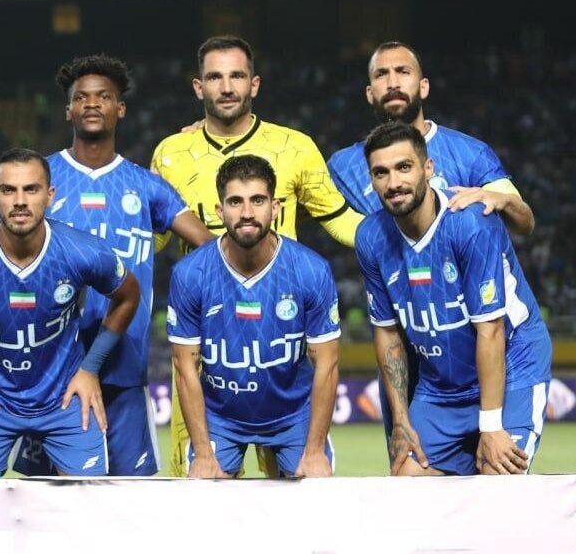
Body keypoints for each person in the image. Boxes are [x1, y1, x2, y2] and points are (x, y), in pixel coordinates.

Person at [151, 35, 361, 476]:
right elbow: (149, 242)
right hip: (207, 349)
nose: (227, 87)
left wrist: (413, 232)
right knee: (197, 484)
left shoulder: (295, 148)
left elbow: (341, 221)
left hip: (280, 345)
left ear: (255, 84)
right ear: (198, 87)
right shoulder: (171, 154)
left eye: (237, 76)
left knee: (299, 482)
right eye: (215, 77)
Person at [13, 55, 209, 477]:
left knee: (130, 496)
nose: (91, 103)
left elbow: (210, 248)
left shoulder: (147, 186)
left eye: (103, 96)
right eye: (81, 97)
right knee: (48, 497)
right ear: (68, 110)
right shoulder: (40, 181)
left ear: (120, 109)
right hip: (50, 370)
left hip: (125, 366)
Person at [0, 149, 140, 477]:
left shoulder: (83, 251)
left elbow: (129, 295)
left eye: (31, 189)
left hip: (65, 396)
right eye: (8, 190)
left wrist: (90, 368)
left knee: (87, 499)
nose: (20, 201)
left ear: (50, 195)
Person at [355, 122, 551, 476]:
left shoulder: (470, 223)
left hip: (513, 367)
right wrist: (400, 420)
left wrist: (491, 426)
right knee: (406, 478)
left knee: (498, 477)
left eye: (404, 167)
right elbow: (388, 333)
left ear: (428, 168)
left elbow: (491, 329)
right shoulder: (370, 237)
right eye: (381, 172)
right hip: (441, 386)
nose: (393, 182)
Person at [168, 155, 340, 478]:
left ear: (275, 208)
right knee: (204, 490)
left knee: (315, 488)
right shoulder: (190, 274)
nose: (247, 212)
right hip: (221, 417)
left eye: (257, 200)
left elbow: (327, 363)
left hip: (293, 414)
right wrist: (203, 453)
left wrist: (315, 450)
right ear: (220, 211)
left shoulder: (311, 270)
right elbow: (185, 367)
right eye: (235, 201)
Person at [327, 41, 534, 234]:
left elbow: (525, 223)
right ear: (370, 93)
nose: (393, 83)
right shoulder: (343, 166)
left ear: (423, 87)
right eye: (381, 74)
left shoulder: (470, 153)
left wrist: (502, 200)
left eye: (403, 71)